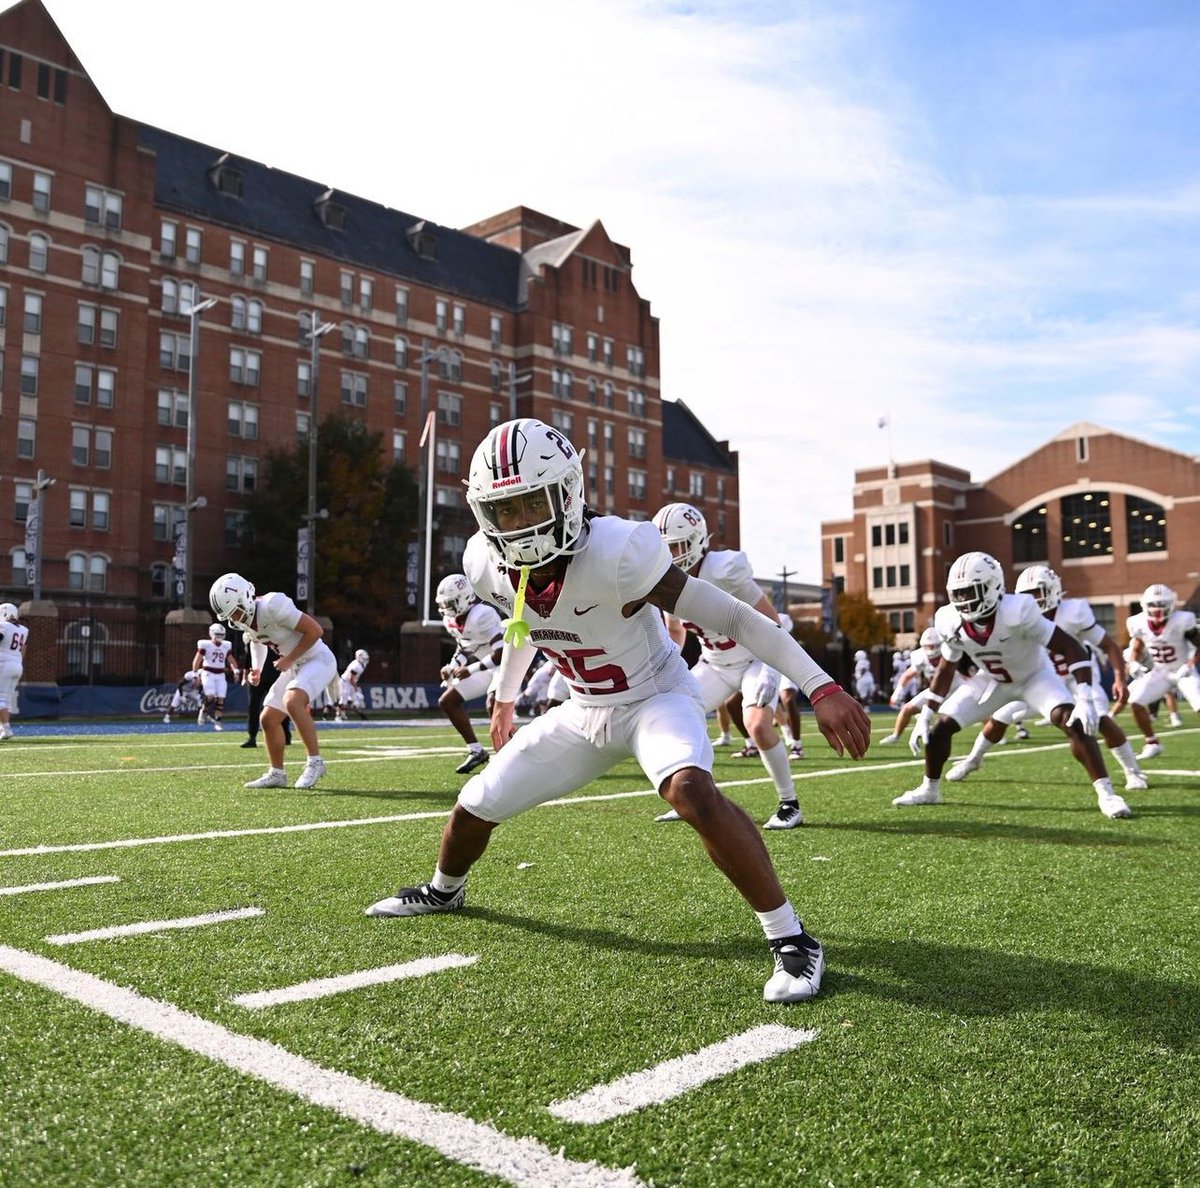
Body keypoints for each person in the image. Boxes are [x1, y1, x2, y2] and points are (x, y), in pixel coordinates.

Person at [365, 418, 871, 1004]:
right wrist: (504, 698)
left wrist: (821, 686)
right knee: (476, 803)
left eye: (533, 503)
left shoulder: (620, 553)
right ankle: (444, 890)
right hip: (584, 709)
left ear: (569, 492)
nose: (521, 524)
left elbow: (731, 617)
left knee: (691, 790)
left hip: (655, 697)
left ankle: (793, 938)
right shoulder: (487, 563)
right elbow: (524, 623)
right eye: (505, 511)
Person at [893, 551, 1132, 819]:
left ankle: (1107, 794)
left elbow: (1070, 646)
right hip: (992, 680)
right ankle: (930, 790)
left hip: (1034, 677)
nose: (964, 600)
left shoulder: (1018, 610)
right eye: (958, 594)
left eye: (972, 591)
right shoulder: (949, 620)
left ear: (993, 586)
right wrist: (926, 714)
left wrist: (1085, 696)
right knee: (939, 730)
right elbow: (946, 669)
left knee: (1072, 721)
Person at [651, 502, 804, 829]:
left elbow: (771, 620)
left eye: (677, 546)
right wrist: (668, 662)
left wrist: (770, 668)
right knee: (676, 719)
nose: (672, 555)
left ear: (696, 540)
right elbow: (676, 629)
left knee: (759, 725)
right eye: (666, 548)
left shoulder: (725, 569)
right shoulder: (667, 580)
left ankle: (789, 803)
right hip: (715, 664)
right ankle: (688, 797)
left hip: (752, 659)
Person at [943, 565, 1147, 791]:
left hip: (1075, 680)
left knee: (1099, 719)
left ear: (1053, 589)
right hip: (1038, 679)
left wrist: (1119, 677)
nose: (1032, 600)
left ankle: (1133, 772)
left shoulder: (1074, 612)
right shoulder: (1017, 614)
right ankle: (973, 759)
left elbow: (1107, 645)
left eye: (1037, 593)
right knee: (1000, 717)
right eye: (1027, 595)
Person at [209, 573, 335, 789]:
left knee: (292, 701)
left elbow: (315, 631)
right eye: (231, 616)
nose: (235, 619)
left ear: (245, 598)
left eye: (236, 612)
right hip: (295, 664)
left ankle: (315, 762)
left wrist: (288, 659)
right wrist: (256, 669)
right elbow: (256, 641)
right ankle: (277, 773)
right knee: (267, 718)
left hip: (317, 659)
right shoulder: (247, 621)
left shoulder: (272, 605)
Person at [436, 573, 504, 775]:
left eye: (451, 603)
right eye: (445, 604)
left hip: (505, 665)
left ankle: (509, 756)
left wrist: (469, 669)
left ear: (465, 597)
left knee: (493, 705)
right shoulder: (453, 621)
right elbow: (466, 649)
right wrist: (451, 667)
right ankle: (476, 750)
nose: (447, 609)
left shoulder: (482, 614)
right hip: (485, 665)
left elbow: (501, 654)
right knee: (447, 701)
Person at [1122, 583, 1200, 759]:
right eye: (1153, 604)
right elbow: (1136, 647)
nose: (1157, 609)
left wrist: (1189, 664)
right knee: (1136, 702)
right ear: (1145, 605)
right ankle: (1152, 743)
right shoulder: (1138, 622)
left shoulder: (1182, 620)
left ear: (1171, 604)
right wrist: (1133, 663)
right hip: (1161, 672)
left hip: (1182, 670)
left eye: (1161, 604)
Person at [192, 622, 240, 731]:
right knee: (210, 696)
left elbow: (231, 660)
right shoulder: (206, 645)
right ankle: (204, 710)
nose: (219, 636)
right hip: (208, 673)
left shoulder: (226, 645)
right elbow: (197, 660)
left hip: (220, 674)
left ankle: (218, 721)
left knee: (221, 698)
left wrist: (236, 671)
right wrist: (195, 675)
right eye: (217, 634)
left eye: (221, 634)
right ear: (211, 633)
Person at [0, 602, 28, 742]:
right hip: (17, 665)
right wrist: (17, 661)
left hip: (4, 663)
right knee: (7, 699)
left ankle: (6, 729)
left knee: (0, 698)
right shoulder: (24, 629)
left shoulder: (3, 626)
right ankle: (3, 729)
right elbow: (23, 649)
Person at [338, 649, 371, 720]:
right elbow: (351, 679)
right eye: (364, 658)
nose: (365, 659)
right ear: (359, 657)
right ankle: (338, 715)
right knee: (344, 700)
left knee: (355, 701)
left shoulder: (361, 664)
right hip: (345, 682)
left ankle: (362, 716)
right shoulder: (356, 666)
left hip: (350, 682)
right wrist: (356, 689)